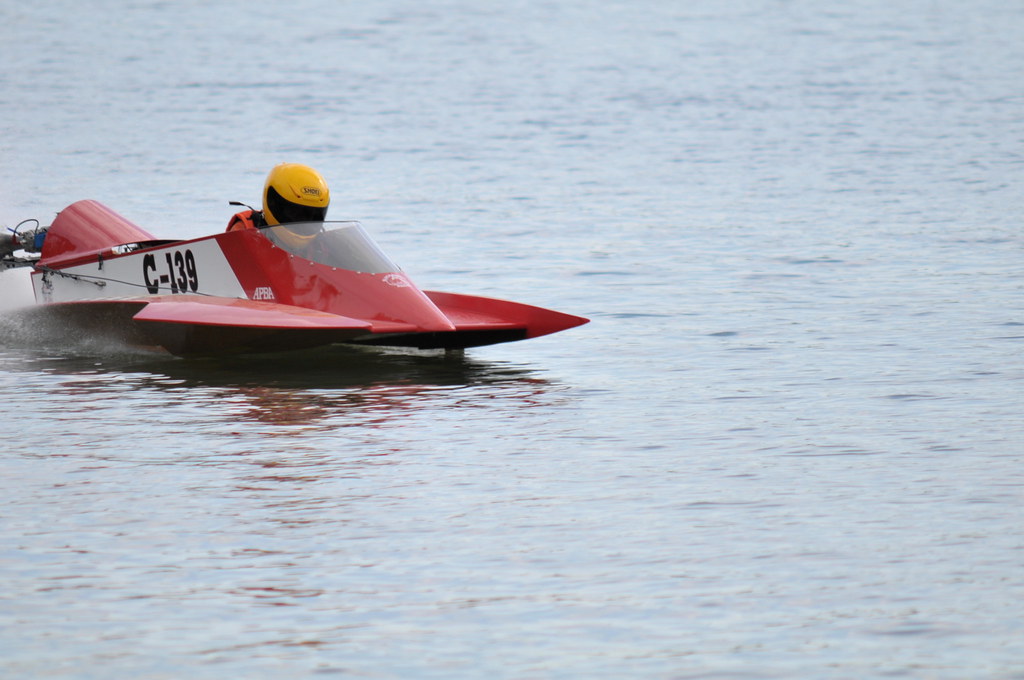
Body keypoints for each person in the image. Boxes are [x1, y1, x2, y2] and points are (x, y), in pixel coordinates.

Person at [227, 163, 330, 232]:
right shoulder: (245, 229)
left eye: (311, 216)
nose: (302, 223)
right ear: (274, 202)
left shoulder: (322, 244)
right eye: (294, 212)